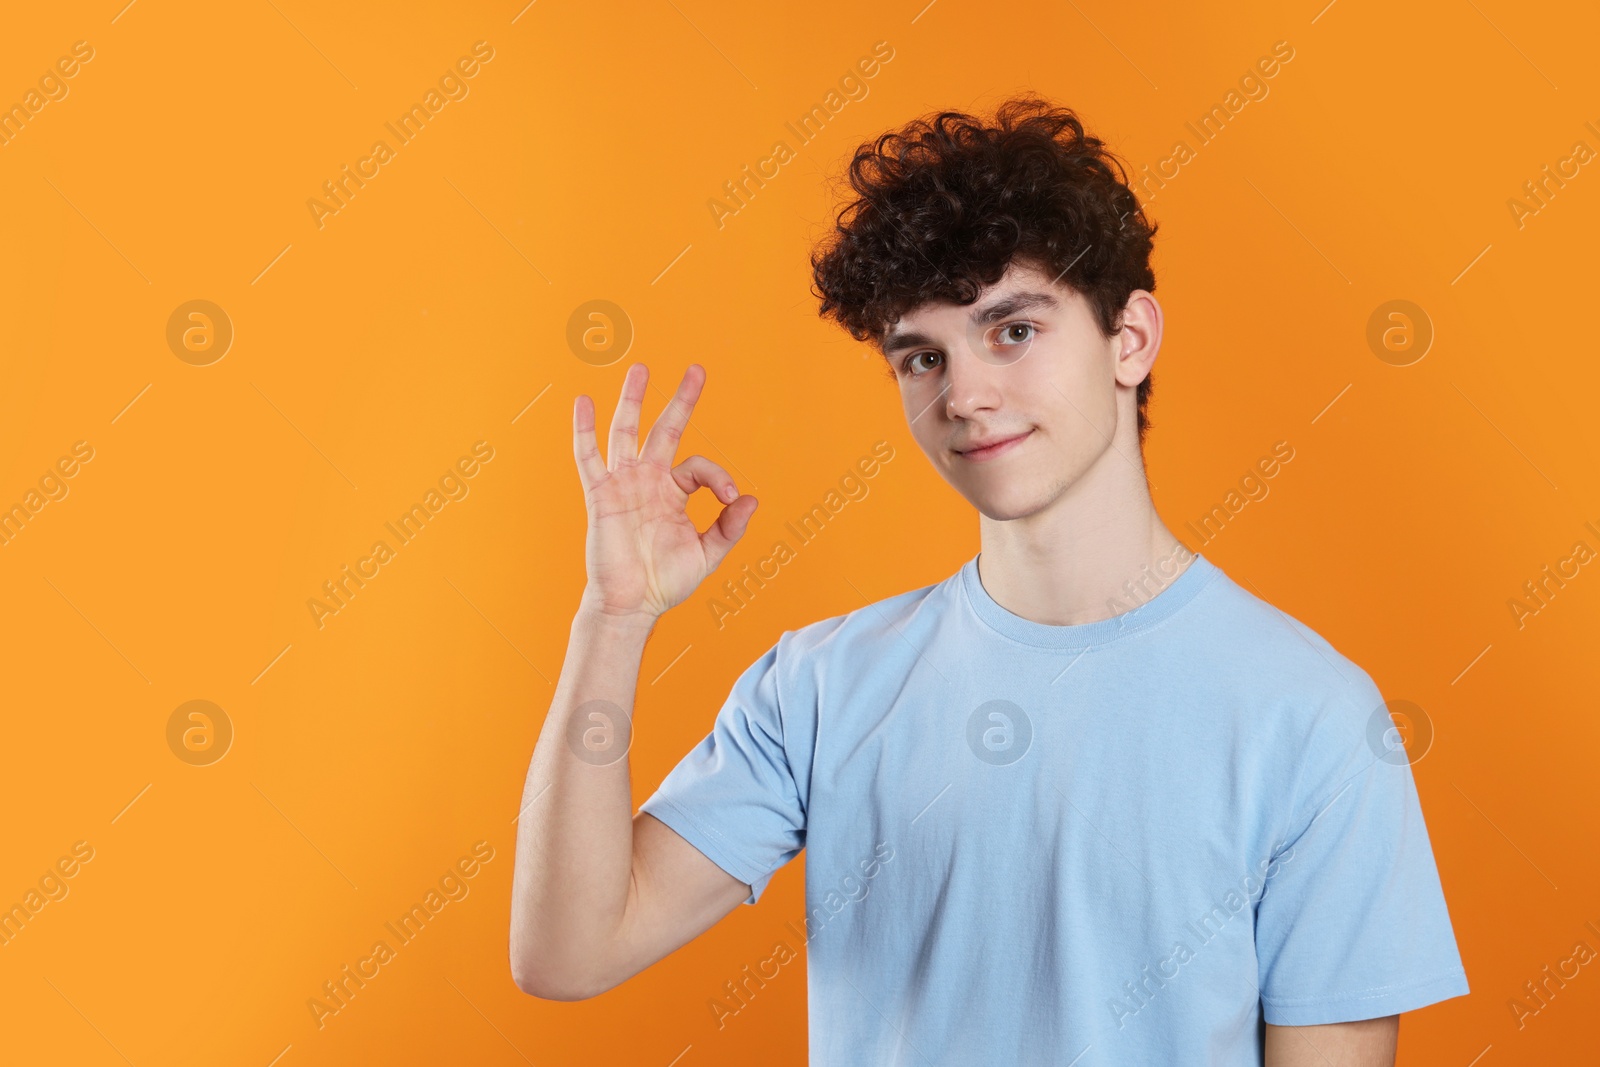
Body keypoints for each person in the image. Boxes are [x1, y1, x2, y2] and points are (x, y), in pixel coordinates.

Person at [509, 96, 1468, 1066]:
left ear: (1128, 339)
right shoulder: (820, 684)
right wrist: (614, 615)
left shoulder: (1310, 716)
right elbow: (568, 949)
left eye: (1011, 331)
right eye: (922, 356)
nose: (962, 394)